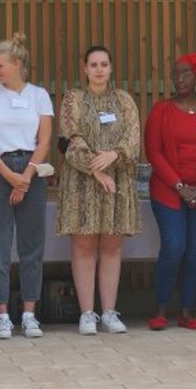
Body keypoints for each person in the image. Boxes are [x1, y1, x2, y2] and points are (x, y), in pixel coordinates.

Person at [56, 45, 141, 336]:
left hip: (117, 181)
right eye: (93, 64)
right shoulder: (73, 99)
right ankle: (87, 313)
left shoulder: (124, 100)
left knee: (112, 246)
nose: (99, 69)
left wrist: (115, 155)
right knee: (83, 246)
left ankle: (109, 311)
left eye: (104, 64)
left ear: (111, 67)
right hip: (83, 182)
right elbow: (70, 139)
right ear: (85, 68)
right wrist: (96, 168)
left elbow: (133, 136)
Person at [0, 33, 53, 340]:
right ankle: (2, 314)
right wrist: (10, 177)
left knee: (32, 244)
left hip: (32, 170)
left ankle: (30, 313)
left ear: (17, 64)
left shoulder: (39, 95)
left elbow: (45, 139)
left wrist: (27, 176)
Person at [145, 52, 196, 331]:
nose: (180, 79)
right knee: (174, 247)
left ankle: (187, 311)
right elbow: (154, 153)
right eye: (175, 74)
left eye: (185, 74)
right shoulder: (161, 110)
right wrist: (180, 187)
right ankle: (159, 309)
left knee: (194, 251)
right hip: (168, 192)